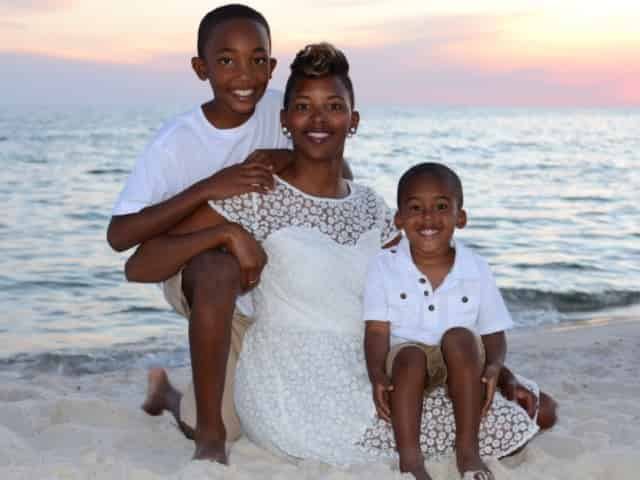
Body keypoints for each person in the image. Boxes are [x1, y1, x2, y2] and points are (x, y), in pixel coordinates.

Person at [128, 43, 556, 471]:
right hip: (293, 382)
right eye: (303, 107)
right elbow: (141, 263)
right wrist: (225, 232)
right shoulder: (256, 195)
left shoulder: (372, 207)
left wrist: (499, 369)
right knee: (484, 427)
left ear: (353, 121)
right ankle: (185, 411)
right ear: (284, 119)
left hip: (368, 366)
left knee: (530, 414)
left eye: (334, 106)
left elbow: (434, 288)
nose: (318, 119)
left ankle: (170, 396)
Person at [107, 4, 292, 463]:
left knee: (268, 416)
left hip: (273, 282)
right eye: (226, 60)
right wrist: (211, 193)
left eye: (257, 59)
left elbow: (329, 164)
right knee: (216, 268)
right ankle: (208, 436)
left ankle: (167, 395)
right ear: (201, 68)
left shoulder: (284, 111)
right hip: (196, 273)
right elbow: (121, 237)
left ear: (271, 65)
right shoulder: (175, 143)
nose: (243, 73)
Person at [364, 163, 522, 480]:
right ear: (399, 219)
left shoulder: (476, 267)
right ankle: (411, 462)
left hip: (460, 364)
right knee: (410, 356)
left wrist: (493, 367)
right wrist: (377, 374)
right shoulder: (384, 266)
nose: (428, 218)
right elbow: (377, 331)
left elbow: (493, 332)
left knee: (461, 338)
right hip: (408, 363)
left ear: (460, 217)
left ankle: (468, 452)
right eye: (415, 208)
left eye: (440, 206)